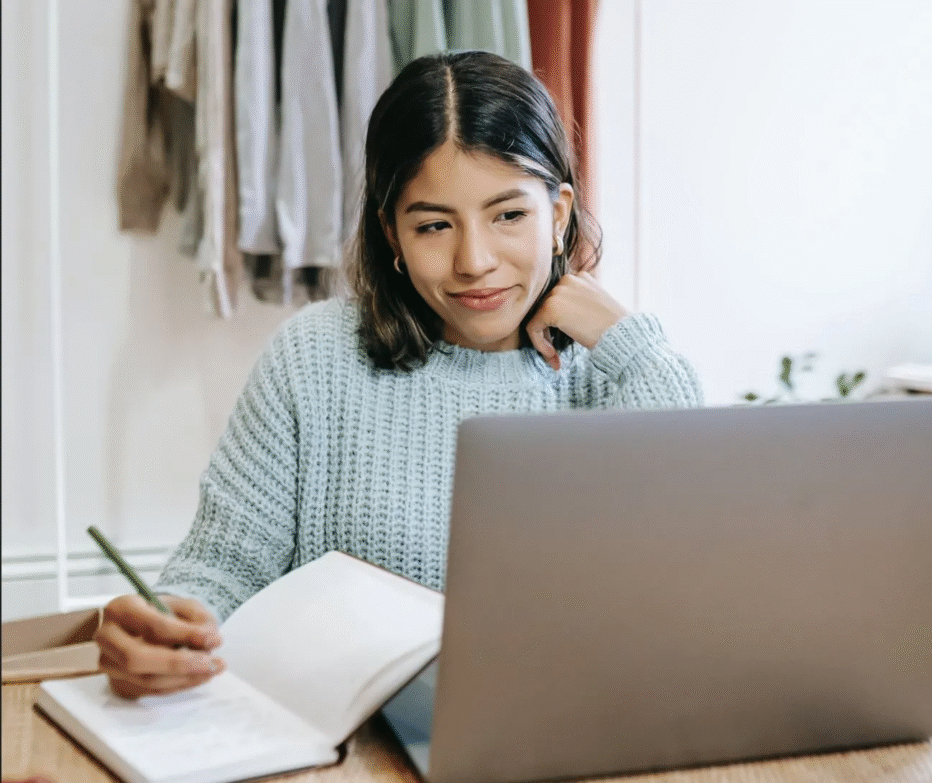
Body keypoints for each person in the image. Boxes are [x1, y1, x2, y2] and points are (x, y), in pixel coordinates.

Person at [95, 51, 703, 699]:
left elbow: (690, 560)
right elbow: (221, 568)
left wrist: (628, 341)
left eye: (508, 216)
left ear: (558, 215)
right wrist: (164, 628)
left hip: (556, 729)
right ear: (391, 232)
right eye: (435, 225)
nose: (474, 261)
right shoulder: (314, 357)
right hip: (344, 745)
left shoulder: (611, 372)